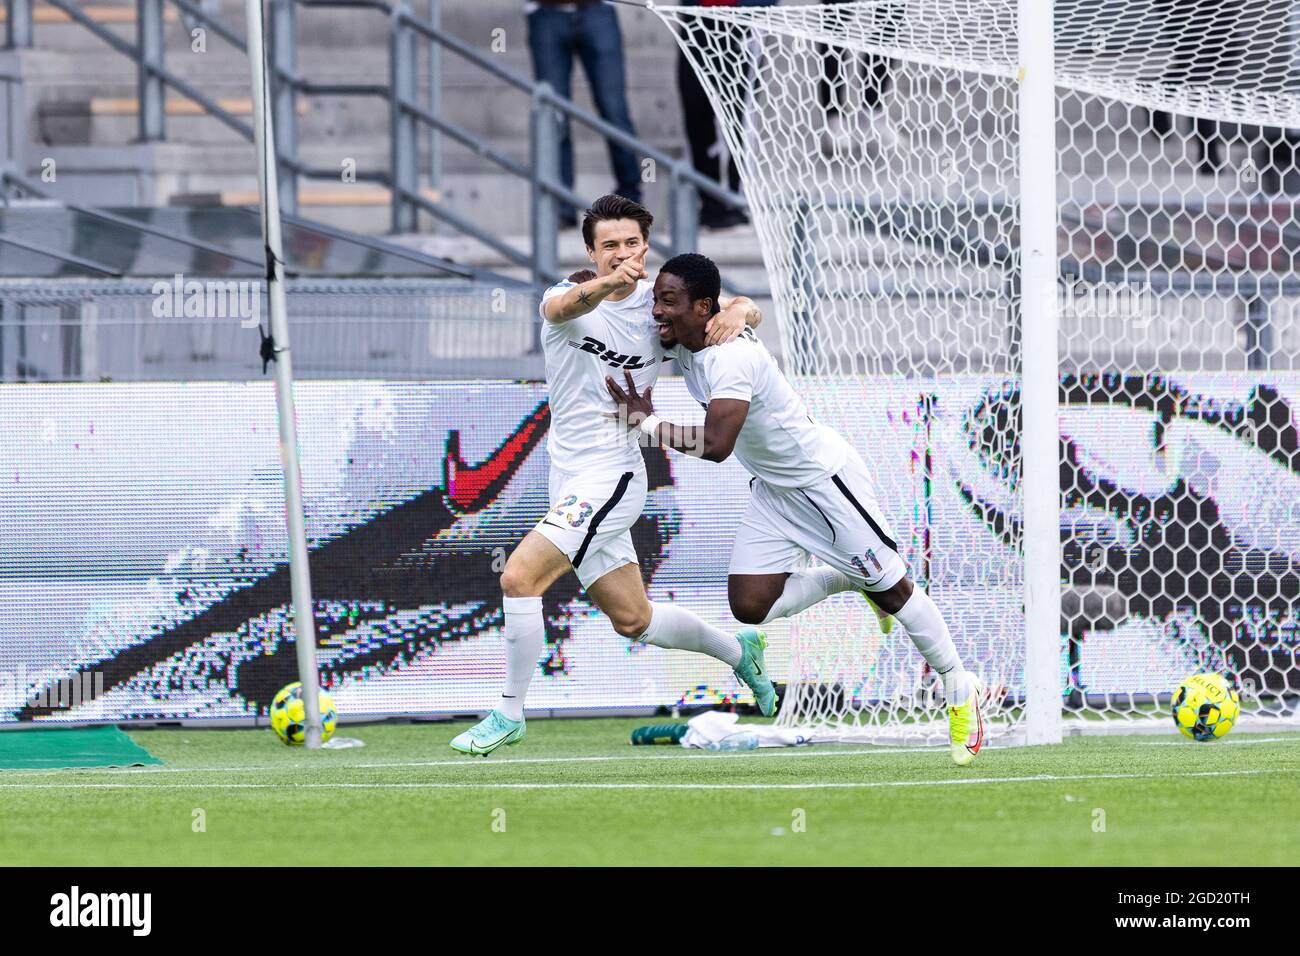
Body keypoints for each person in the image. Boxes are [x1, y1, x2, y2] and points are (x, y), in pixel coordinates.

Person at [604, 253, 985, 765]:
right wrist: (743, 306)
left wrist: (646, 422)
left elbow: (717, 446)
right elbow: (735, 309)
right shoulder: (690, 336)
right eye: (656, 299)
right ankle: (847, 578)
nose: (657, 311)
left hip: (824, 484)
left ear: (702, 307)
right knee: (750, 606)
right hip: (774, 491)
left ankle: (961, 689)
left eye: (669, 301)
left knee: (894, 588)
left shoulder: (729, 356)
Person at [451, 197, 770, 756]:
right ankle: (738, 651)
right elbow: (559, 309)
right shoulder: (568, 298)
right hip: (568, 476)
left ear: (646, 246)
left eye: (630, 243)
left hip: (613, 477)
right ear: (591, 253)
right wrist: (602, 288)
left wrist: (742, 311)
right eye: (609, 246)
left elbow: (729, 305)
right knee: (634, 619)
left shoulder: (661, 309)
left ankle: (508, 711)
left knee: (518, 578)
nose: (621, 254)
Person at [525, 1, 643, 227]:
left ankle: (630, 200)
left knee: (614, 110)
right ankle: (560, 206)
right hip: (545, 12)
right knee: (553, 116)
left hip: (596, 10)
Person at [674, 0, 776, 230]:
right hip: (696, 15)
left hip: (743, 17)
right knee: (694, 101)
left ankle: (736, 199)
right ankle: (709, 199)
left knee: (738, 109)